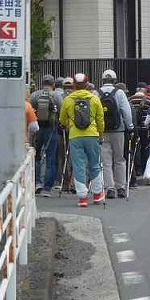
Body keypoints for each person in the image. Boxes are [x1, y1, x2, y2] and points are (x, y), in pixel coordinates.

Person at [60, 72, 106, 207]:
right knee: (94, 164)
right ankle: (97, 194)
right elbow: (100, 120)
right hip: (92, 135)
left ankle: (82, 198)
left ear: (74, 85)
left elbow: (62, 119)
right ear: (87, 84)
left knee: (79, 166)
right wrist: (100, 134)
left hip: (75, 136)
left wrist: (69, 124)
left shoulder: (68, 100)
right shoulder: (94, 99)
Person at [99, 69, 133, 199]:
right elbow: (126, 110)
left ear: (103, 80)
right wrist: (129, 126)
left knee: (106, 161)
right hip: (118, 129)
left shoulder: (97, 93)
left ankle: (109, 188)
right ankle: (121, 187)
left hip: (103, 130)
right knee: (119, 159)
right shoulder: (119, 93)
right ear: (114, 80)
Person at [30, 75, 59, 196]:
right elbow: (61, 113)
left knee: (36, 156)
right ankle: (47, 188)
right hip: (52, 129)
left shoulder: (35, 95)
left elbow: (30, 110)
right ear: (53, 85)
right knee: (50, 158)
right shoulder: (56, 95)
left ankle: (37, 183)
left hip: (38, 128)